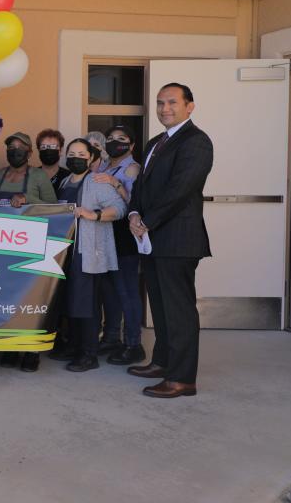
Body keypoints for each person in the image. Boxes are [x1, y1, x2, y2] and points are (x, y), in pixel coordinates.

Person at [128, 83, 212, 399]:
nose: (165, 108)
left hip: (177, 240)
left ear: (189, 106)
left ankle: (182, 378)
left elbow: (180, 189)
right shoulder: (155, 143)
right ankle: (162, 363)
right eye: (161, 102)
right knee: (161, 310)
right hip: (151, 239)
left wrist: (147, 220)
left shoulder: (197, 142)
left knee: (179, 312)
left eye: (172, 102)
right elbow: (141, 186)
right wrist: (134, 212)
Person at [0, 131, 57, 372]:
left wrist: (27, 198)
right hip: (1, 247)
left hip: (31, 246)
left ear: (29, 152)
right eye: (10, 147)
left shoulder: (38, 176)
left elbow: (54, 207)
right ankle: (9, 346)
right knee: (6, 299)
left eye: (19, 148)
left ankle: (31, 351)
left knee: (30, 300)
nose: (14, 151)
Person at [55, 138, 126, 372]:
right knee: (71, 301)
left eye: (81, 154)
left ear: (91, 158)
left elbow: (120, 208)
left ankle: (89, 354)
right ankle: (74, 346)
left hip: (87, 252)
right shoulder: (65, 181)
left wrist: (92, 214)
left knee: (86, 303)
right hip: (65, 252)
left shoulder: (96, 182)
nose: (76, 157)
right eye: (71, 153)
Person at [92, 125, 145, 366]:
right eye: (111, 138)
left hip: (124, 235)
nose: (115, 142)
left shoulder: (132, 168)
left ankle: (133, 344)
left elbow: (135, 203)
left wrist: (115, 183)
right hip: (105, 233)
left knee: (127, 291)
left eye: (121, 139)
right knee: (109, 292)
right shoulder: (104, 165)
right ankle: (111, 337)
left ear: (131, 145)